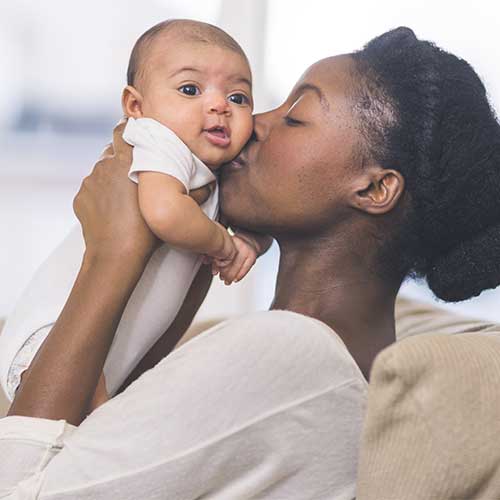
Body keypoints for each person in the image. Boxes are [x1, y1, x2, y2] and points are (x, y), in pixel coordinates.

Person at [2, 26, 500, 499]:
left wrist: (110, 255)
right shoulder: (324, 357)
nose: (252, 124)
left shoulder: (291, 355)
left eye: (295, 116)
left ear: (373, 188)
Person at [0, 19, 271, 403]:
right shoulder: (156, 140)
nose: (218, 106)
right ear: (136, 106)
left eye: (239, 98)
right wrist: (225, 247)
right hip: (50, 336)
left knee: (96, 433)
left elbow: (261, 211)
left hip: (109, 352)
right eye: (190, 89)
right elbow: (165, 213)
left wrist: (252, 241)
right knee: (81, 430)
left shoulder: (209, 169)